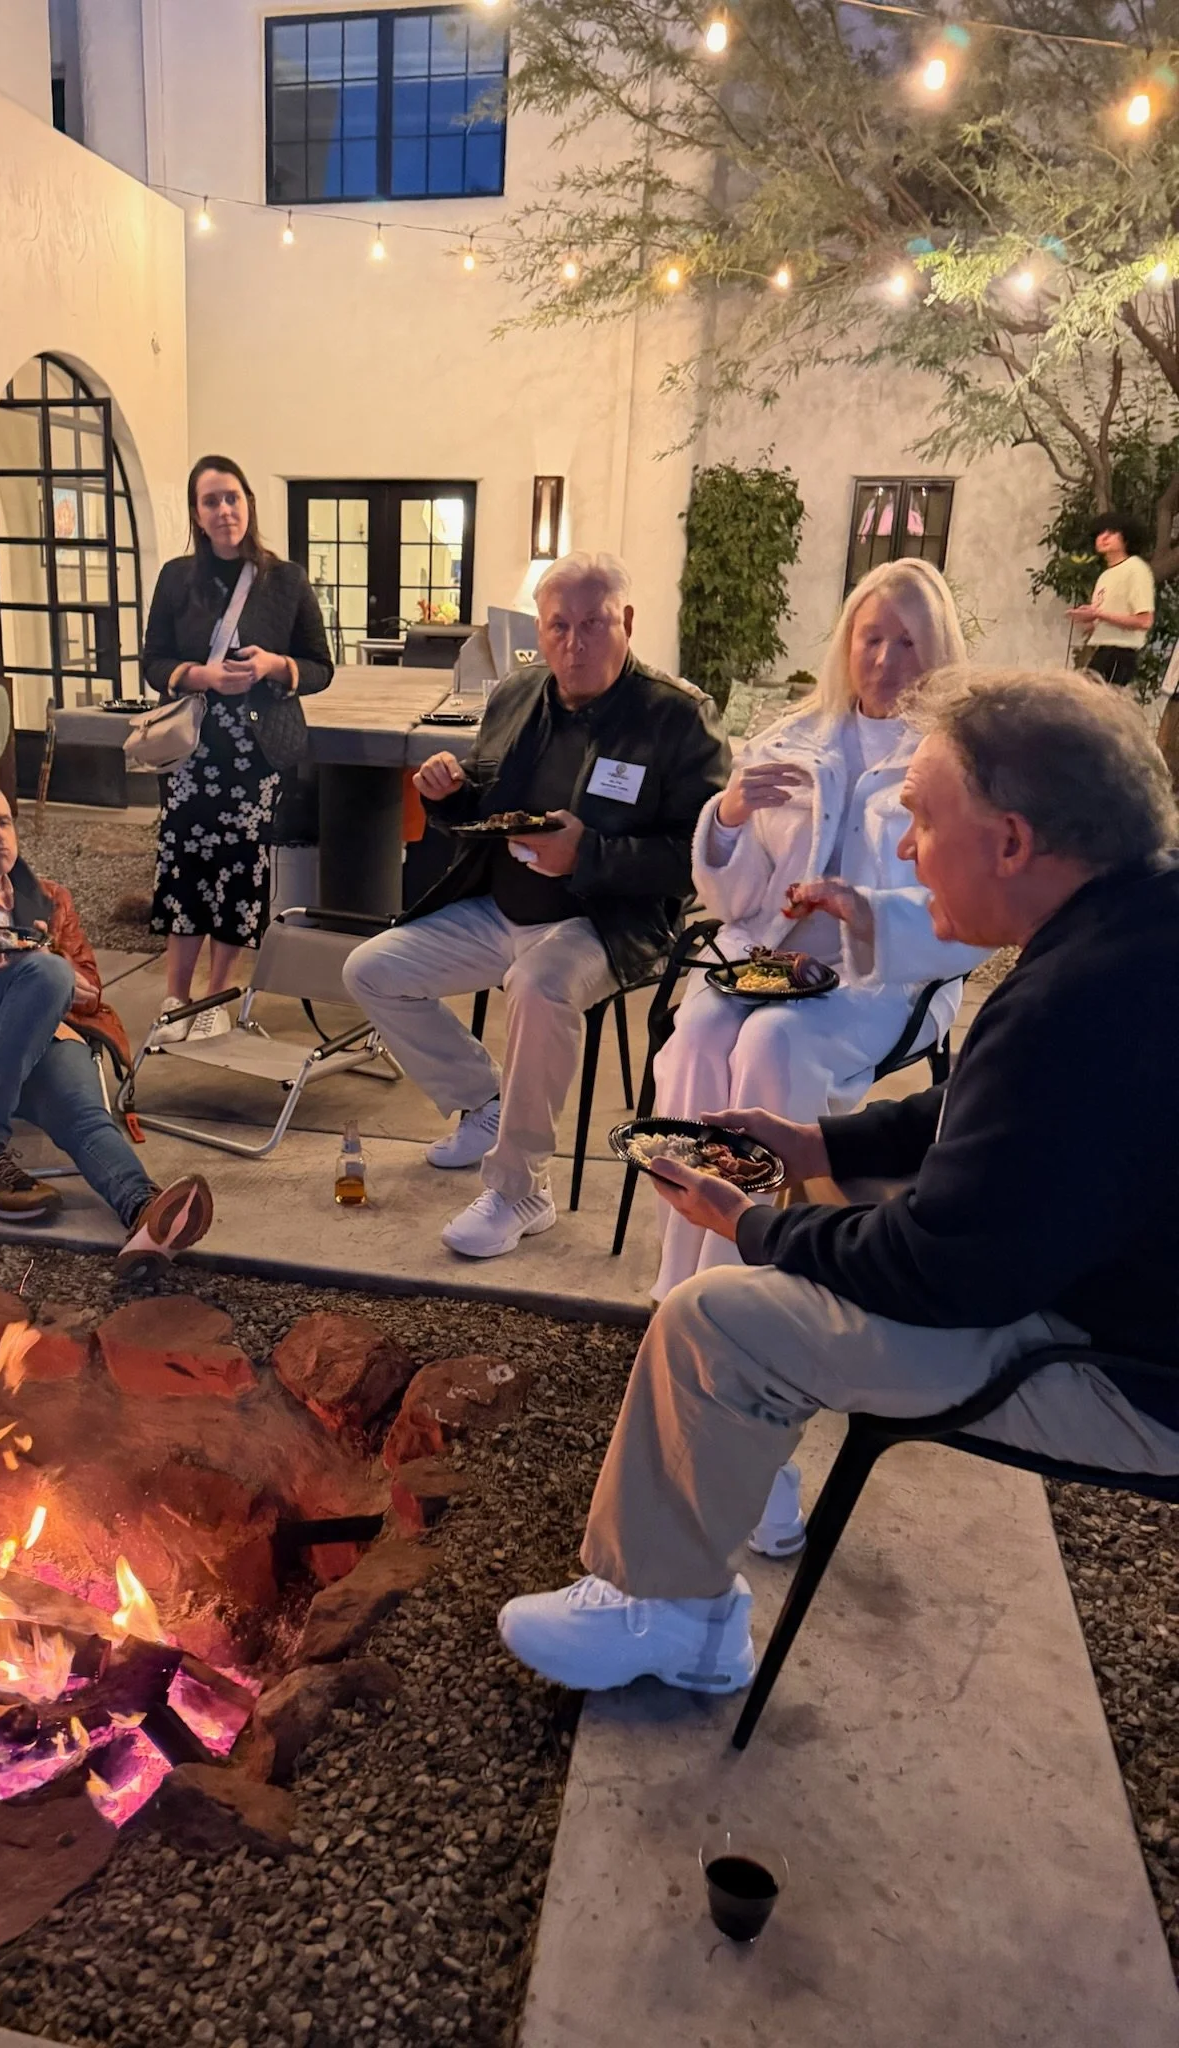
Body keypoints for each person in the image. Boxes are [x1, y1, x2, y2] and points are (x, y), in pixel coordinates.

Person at [498, 667, 1179, 1695]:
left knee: (713, 1318)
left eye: (922, 818)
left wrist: (755, 1224)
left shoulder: (1073, 1006)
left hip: (1127, 1372)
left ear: (1012, 841)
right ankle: (724, 1506)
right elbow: (983, 1121)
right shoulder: (1134, 924)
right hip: (1116, 1292)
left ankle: (672, 1612)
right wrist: (822, 1146)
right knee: (822, 1214)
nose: (906, 850)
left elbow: (939, 1269)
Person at [342, 553, 729, 1260]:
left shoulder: (678, 719)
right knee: (370, 969)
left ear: (628, 623)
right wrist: (449, 792)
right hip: (500, 909)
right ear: (540, 632)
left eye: (593, 624)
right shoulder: (517, 695)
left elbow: (700, 859)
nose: (575, 644)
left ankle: (524, 1189)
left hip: (605, 921)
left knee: (540, 986)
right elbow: (489, 803)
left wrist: (589, 856)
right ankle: (485, 1102)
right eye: (560, 627)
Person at [651, 559, 989, 1316]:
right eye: (871, 639)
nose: (885, 661)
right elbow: (733, 898)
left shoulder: (962, 760)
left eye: (908, 643)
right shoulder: (793, 739)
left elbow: (968, 915)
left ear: (939, 649)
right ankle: (678, 1273)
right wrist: (730, 817)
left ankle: (739, 1275)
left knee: (774, 1044)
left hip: (886, 977)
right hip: (767, 962)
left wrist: (866, 913)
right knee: (701, 1031)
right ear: (846, 643)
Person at [0, 778, 213, 1265]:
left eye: (5, 821)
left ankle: (143, 1211)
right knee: (46, 969)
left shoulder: (50, 899)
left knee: (84, 1114)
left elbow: (90, 992)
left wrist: (41, 980)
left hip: (37, 1048)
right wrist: (14, 978)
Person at [141, 455, 334, 1043]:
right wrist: (202, 675)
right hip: (194, 752)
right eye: (210, 501)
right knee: (183, 869)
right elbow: (153, 662)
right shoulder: (177, 578)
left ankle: (218, 999)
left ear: (248, 503)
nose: (223, 510)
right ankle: (177, 996)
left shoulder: (287, 580)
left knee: (239, 875)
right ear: (198, 515)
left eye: (232, 498)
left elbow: (321, 667)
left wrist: (276, 666)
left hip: (257, 754)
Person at [1069, 518, 1155, 688]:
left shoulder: (1136, 569)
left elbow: (1145, 621)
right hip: (1101, 650)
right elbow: (1104, 619)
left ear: (1127, 538)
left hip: (1120, 653)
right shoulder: (1105, 576)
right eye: (1100, 533)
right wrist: (1089, 619)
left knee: (1100, 709)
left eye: (1112, 532)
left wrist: (1099, 614)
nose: (1104, 537)